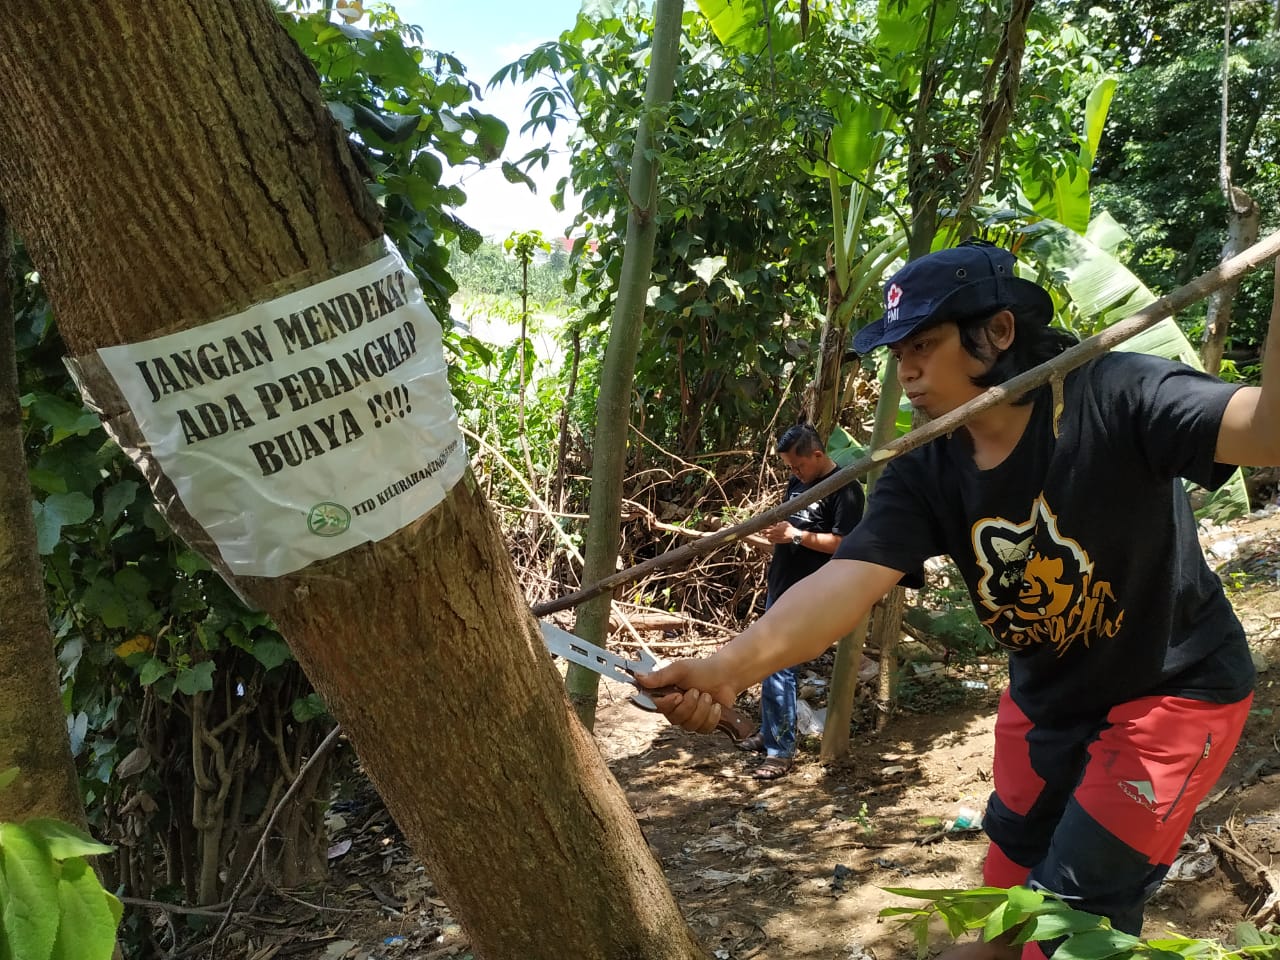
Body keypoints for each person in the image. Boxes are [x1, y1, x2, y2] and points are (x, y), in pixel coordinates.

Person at [638, 239, 1278, 959]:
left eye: (925, 344)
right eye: (897, 351)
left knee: (1069, 925)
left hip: (1173, 695)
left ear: (998, 332)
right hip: (1045, 706)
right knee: (1002, 908)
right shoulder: (927, 471)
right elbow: (844, 583)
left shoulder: (1119, 395)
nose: (906, 370)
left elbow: (1269, 429)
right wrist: (727, 669)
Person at [739, 422, 865, 780]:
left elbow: (844, 543)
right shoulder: (798, 483)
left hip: (810, 593)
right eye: (790, 469)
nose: (795, 474)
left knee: (781, 665)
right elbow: (789, 531)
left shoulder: (846, 490)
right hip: (781, 586)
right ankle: (770, 731)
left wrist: (794, 536)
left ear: (818, 455)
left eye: (799, 466)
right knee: (767, 661)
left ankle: (780, 752)